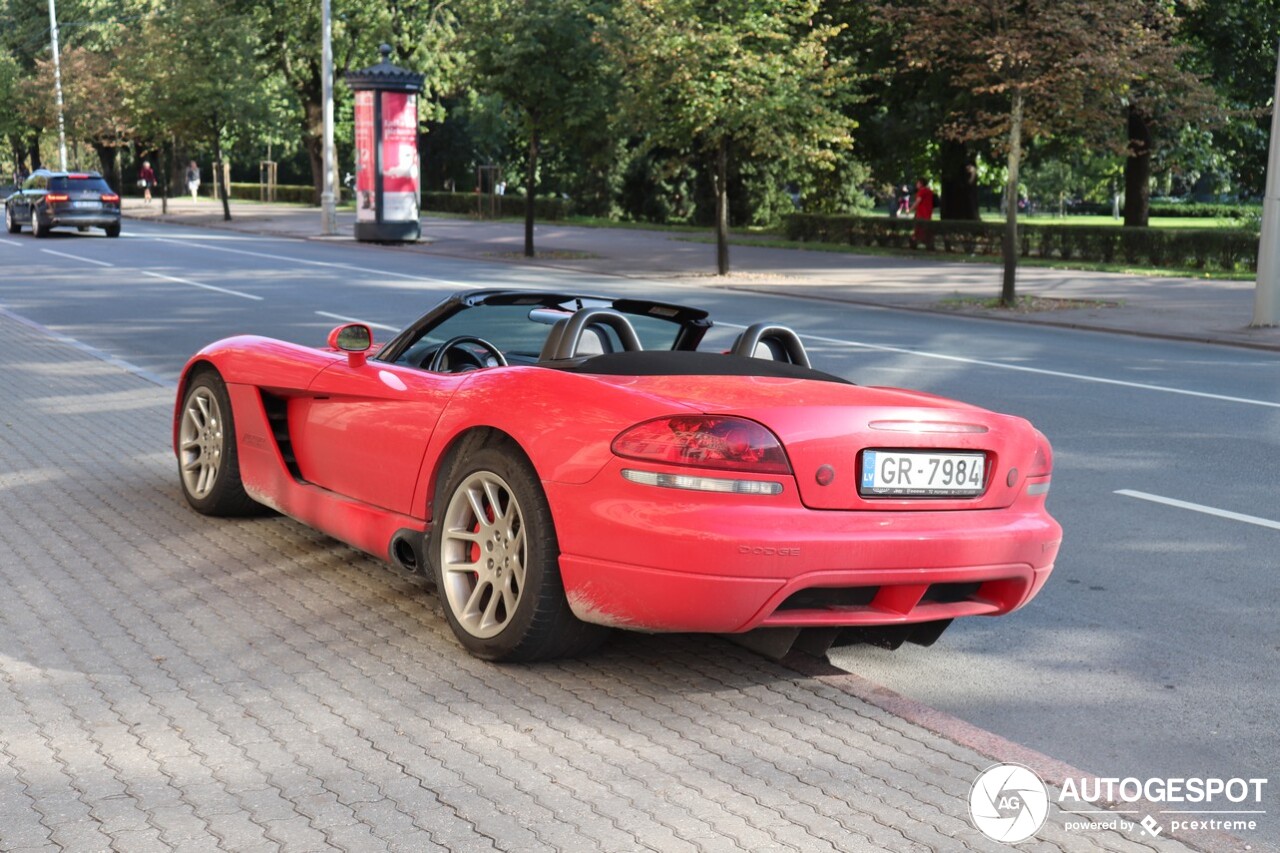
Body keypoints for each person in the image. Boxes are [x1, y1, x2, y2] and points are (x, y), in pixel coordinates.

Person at [908, 177, 936, 248]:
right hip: (928, 213)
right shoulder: (929, 191)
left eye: (917, 183)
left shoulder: (921, 191)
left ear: (921, 184)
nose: (916, 184)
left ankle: (914, 243)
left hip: (921, 213)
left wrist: (910, 210)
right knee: (926, 229)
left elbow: (918, 201)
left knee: (918, 229)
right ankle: (929, 244)